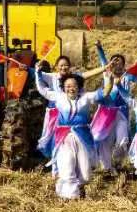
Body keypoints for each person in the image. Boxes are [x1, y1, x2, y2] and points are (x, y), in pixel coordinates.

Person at [35, 63, 114, 199]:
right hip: (64, 137)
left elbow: (105, 92)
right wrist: (37, 73)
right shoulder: (58, 97)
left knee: (85, 175)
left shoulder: (86, 97)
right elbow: (43, 90)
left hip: (82, 136)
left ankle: (77, 187)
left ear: (79, 86)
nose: (71, 89)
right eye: (68, 86)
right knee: (67, 164)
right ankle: (69, 197)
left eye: (74, 86)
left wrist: (108, 78)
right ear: (63, 88)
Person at [90, 41, 137, 172]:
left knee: (123, 139)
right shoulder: (107, 73)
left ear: (124, 65)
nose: (117, 65)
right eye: (114, 62)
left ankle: (118, 162)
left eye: (120, 63)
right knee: (104, 141)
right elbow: (103, 60)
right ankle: (107, 166)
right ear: (111, 64)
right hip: (106, 113)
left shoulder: (127, 76)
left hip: (122, 113)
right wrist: (99, 47)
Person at [35, 55, 109, 160]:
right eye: (61, 65)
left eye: (66, 65)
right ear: (56, 66)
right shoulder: (52, 76)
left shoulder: (75, 78)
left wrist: (104, 68)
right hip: (55, 113)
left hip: (74, 113)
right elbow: (37, 76)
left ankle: (77, 159)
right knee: (50, 137)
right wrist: (34, 69)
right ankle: (55, 161)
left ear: (70, 66)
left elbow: (90, 74)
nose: (63, 67)